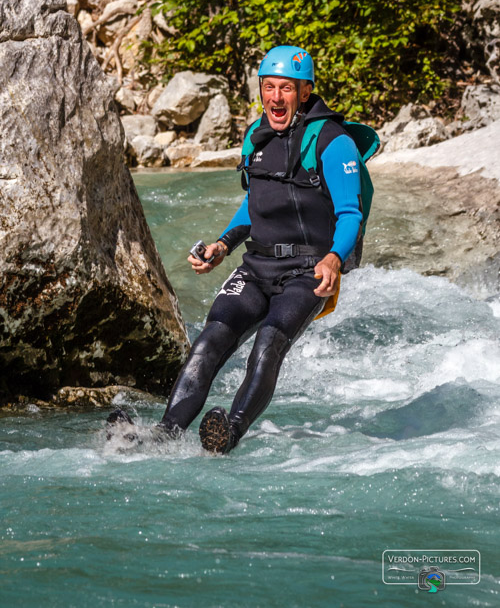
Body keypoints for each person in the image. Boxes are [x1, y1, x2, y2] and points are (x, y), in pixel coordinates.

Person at [108, 45, 367, 454]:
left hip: (308, 271)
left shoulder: (334, 142)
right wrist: (222, 245)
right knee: (210, 340)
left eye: (286, 88)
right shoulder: (255, 138)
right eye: (268, 87)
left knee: (268, 342)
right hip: (257, 264)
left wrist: (334, 258)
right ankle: (165, 433)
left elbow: (350, 212)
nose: (275, 97)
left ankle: (229, 431)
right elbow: (253, 203)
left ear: (305, 91)